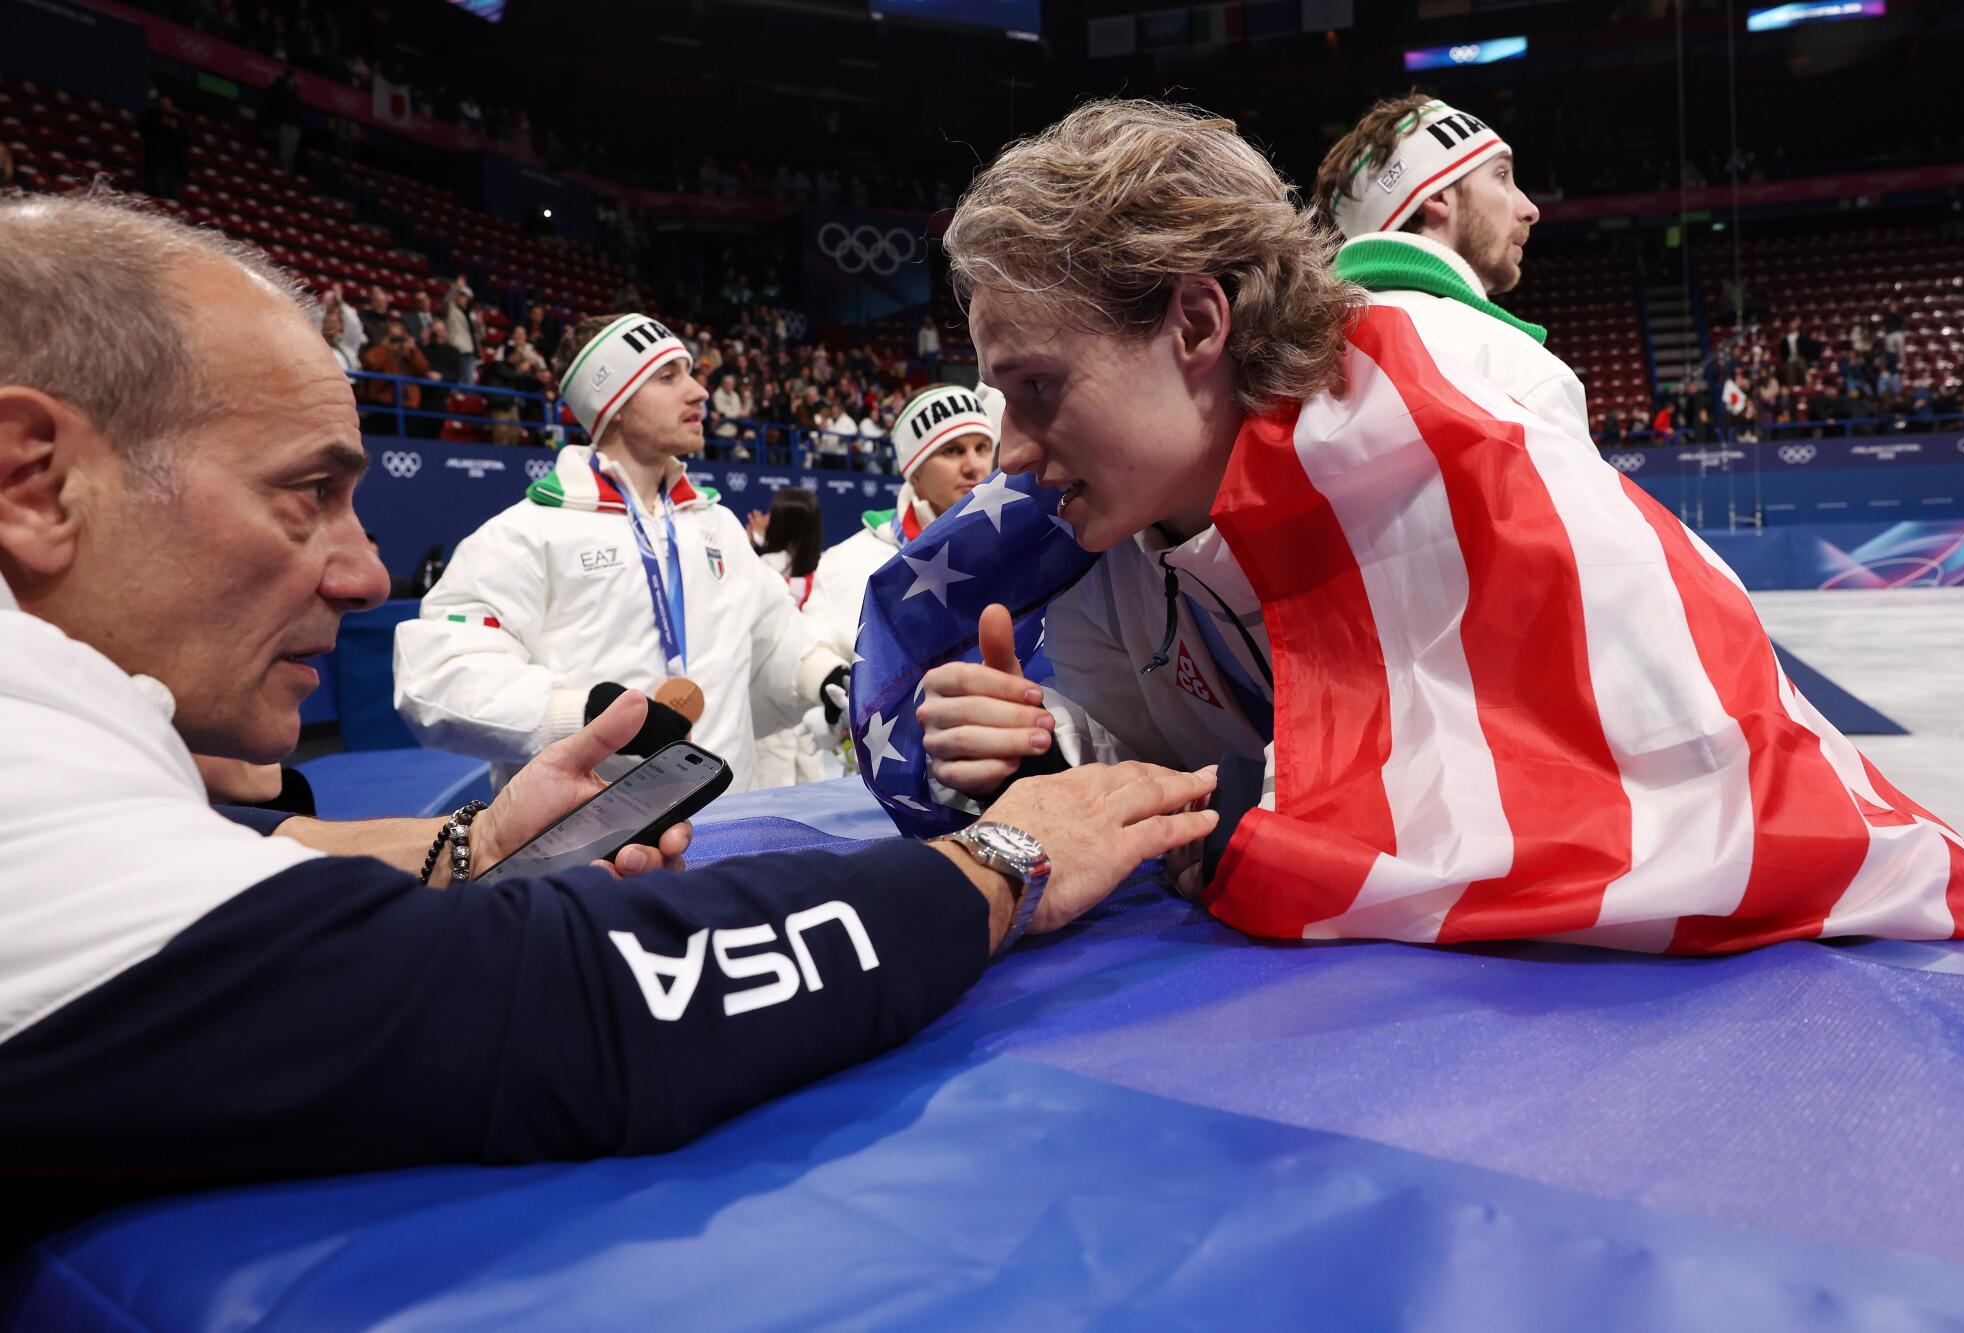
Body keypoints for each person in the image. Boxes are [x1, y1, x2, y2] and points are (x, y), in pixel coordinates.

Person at [0, 192, 1220, 1247]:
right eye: (305, 493)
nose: (364, 571)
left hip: (711, 798)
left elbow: (233, 864)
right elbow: (574, 999)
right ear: (35, 481)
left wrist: (471, 849)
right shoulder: (526, 528)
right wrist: (996, 857)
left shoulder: (706, 523)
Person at [885, 98, 1964, 954]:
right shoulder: (1094, 541)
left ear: (1197, 322)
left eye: (1034, 387)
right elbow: (1148, 778)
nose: (1013, 455)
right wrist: (1037, 758)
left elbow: (1683, 749)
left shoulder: (1437, 393)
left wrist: (1255, 804)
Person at [394, 313, 851, 795]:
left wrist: (820, 674)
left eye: (690, 373)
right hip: (588, 845)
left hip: (729, 822)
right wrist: (584, 714)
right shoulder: (525, 534)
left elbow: (775, 637)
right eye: (668, 376)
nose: (699, 392)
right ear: (611, 401)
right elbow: (439, 675)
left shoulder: (716, 526)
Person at [1313, 94, 1587, 444]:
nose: (1530, 209)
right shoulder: (1518, 371)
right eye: (1501, 175)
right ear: (1437, 197)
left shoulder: (1294, 363)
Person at [807, 384, 997, 662]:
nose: (973, 466)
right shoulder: (847, 563)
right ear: (914, 470)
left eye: (982, 448)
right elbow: (809, 658)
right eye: (953, 450)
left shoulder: (1026, 546)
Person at [754, 487, 834, 786]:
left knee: (775, 767)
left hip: (778, 676)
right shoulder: (824, 566)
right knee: (811, 769)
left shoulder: (766, 565)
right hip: (811, 675)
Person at [359, 320, 432, 435]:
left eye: (400, 338)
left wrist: (411, 349)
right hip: (384, 402)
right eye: (394, 338)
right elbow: (370, 362)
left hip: (408, 403)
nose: (397, 343)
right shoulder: (382, 352)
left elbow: (424, 369)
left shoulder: (410, 355)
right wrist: (385, 346)